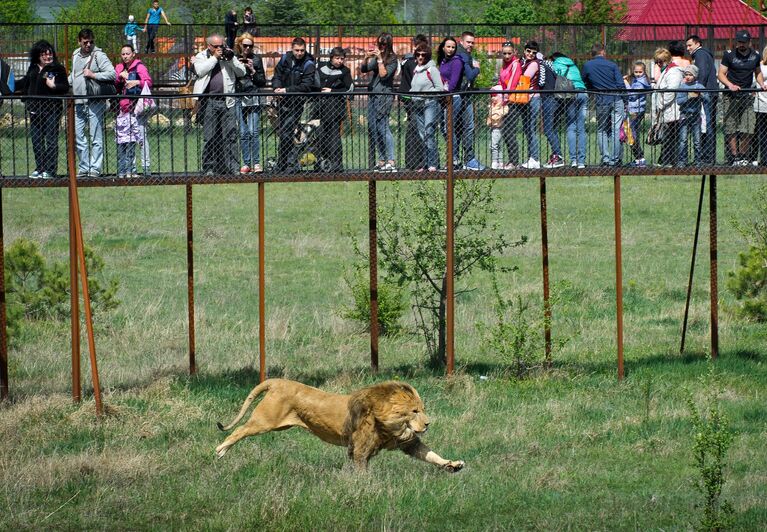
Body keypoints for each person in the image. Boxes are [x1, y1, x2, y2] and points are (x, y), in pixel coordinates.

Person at [191, 33, 246, 175]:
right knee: (209, 136)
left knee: (231, 135)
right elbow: (200, 71)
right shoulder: (201, 56)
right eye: (216, 46)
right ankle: (209, 167)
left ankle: (233, 167)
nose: (220, 49)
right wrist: (215, 58)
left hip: (228, 101)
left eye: (221, 46)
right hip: (209, 101)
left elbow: (242, 72)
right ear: (209, 46)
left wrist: (231, 59)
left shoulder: (229, 56)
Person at [17, 40, 67, 179]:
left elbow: (65, 87)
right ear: (38, 55)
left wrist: (54, 86)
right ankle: (40, 168)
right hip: (34, 109)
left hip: (52, 110)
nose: (48, 56)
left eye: (50, 53)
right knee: (37, 140)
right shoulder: (33, 68)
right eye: (44, 54)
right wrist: (7, 86)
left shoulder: (57, 68)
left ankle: (50, 170)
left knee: (51, 140)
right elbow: (24, 83)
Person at [70, 28, 116, 177]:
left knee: (95, 136)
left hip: (95, 101)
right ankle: (84, 167)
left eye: (91, 42)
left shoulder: (99, 55)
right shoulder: (75, 54)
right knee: (78, 136)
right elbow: (74, 75)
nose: (88, 45)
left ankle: (95, 168)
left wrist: (94, 74)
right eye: (85, 42)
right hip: (78, 100)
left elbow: (112, 73)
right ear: (79, 42)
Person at [717, 30, 767, 166]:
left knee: (749, 126)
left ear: (749, 42)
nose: (741, 45)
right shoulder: (729, 55)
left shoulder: (755, 56)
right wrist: (730, 85)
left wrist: (761, 84)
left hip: (747, 96)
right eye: (739, 42)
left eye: (744, 42)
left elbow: (758, 73)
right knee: (731, 126)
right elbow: (721, 74)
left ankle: (744, 156)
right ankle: (735, 157)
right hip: (731, 95)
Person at [272, 37, 317, 173]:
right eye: (297, 50)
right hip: (282, 102)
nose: (299, 53)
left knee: (286, 133)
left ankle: (286, 164)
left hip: (296, 103)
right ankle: (285, 163)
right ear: (292, 48)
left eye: (302, 50)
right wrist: (277, 88)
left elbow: (306, 85)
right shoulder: (286, 58)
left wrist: (286, 90)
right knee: (284, 133)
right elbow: (277, 75)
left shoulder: (308, 63)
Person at [582, 42, 626, 167]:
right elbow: (620, 84)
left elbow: (584, 82)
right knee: (616, 129)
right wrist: (625, 100)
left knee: (601, 130)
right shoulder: (612, 65)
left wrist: (593, 89)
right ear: (603, 52)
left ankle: (605, 158)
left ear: (593, 53)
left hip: (601, 99)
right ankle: (615, 159)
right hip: (617, 98)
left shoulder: (587, 66)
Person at [361, 32, 398, 172]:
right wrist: (366, 58)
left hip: (384, 95)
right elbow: (364, 69)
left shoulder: (392, 59)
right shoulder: (377, 58)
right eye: (379, 44)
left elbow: (384, 75)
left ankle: (391, 160)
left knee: (383, 126)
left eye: (383, 44)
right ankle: (382, 160)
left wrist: (379, 59)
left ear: (388, 45)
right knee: (374, 127)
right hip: (373, 94)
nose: (380, 46)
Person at [114, 43, 152, 177]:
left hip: (137, 108)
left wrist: (136, 82)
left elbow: (148, 81)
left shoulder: (139, 67)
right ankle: (130, 169)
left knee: (141, 137)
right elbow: (114, 85)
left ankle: (146, 166)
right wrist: (120, 77)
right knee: (126, 140)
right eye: (123, 54)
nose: (125, 56)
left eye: (127, 53)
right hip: (123, 110)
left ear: (133, 54)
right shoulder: (119, 68)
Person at [316, 46, 353, 172]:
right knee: (320, 136)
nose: (339, 61)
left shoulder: (345, 71)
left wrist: (333, 91)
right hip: (319, 107)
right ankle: (321, 163)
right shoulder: (321, 68)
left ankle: (337, 164)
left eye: (342, 59)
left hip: (335, 108)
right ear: (331, 58)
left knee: (334, 136)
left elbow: (349, 89)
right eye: (337, 58)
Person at [409, 43, 445, 172]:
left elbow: (439, 88)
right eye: (418, 54)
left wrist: (426, 94)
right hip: (417, 105)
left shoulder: (432, 69)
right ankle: (426, 163)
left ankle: (433, 163)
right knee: (422, 135)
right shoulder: (416, 70)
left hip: (429, 104)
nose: (420, 57)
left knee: (429, 132)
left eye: (423, 55)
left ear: (427, 56)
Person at [234, 32, 266, 173]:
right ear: (240, 45)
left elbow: (262, 81)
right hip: (239, 97)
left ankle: (257, 163)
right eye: (245, 45)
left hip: (254, 96)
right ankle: (246, 163)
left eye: (250, 46)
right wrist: (238, 66)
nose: (247, 48)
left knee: (254, 131)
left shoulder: (257, 59)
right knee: (243, 132)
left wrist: (253, 70)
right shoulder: (234, 59)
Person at [551, 51, 588, 168]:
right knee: (581, 128)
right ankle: (581, 161)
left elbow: (555, 79)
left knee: (571, 127)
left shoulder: (556, 63)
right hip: (583, 93)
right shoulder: (573, 64)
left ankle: (574, 160)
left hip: (570, 95)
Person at [686, 35, 719, 164]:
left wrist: (697, 89)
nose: (688, 48)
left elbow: (702, 73)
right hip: (709, 92)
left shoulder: (700, 54)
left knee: (706, 125)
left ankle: (707, 157)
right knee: (707, 124)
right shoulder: (704, 54)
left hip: (706, 93)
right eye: (687, 45)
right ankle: (707, 156)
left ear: (698, 44)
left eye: (690, 45)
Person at [399, 34, 428, 171]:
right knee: (416, 130)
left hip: (415, 99)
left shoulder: (410, 61)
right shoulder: (411, 63)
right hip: (413, 99)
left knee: (417, 129)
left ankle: (418, 161)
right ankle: (416, 162)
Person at [455, 31, 484, 170]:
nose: (471, 45)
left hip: (459, 95)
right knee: (467, 127)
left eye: (473, 42)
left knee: (457, 129)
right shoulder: (462, 55)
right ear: (461, 41)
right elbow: (470, 75)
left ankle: (455, 159)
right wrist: (477, 68)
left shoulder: (460, 53)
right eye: (468, 42)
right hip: (462, 97)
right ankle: (468, 159)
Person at [651, 48, 683, 168]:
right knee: (668, 136)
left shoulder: (674, 71)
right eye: (657, 62)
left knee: (671, 136)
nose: (659, 64)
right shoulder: (666, 70)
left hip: (672, 109)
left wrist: (660, 105)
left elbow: (671, 91)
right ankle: (665, 160)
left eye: (661, 61)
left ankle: (668, 161)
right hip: (666, 110)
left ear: (667, 60)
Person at [438, 36, 464, 170]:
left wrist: (442, 89)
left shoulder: (457, 62)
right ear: (443, 47)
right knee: (444, 127)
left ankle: (453, 158)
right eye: (448, 46)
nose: (450, 49)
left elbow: (453, 83)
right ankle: (452, 157)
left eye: (453, 47)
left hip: (453, 97)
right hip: (444, 97)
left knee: (449, 127)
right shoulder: (443, 61)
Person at [497, 42, 522, 169]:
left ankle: (514, 161)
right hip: (504, 101)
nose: (507, 56)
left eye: (509, 53)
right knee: (505, 131)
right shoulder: (504, 65)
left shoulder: (515, 64)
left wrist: (505, 97)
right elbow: (501, 81)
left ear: (514, 52)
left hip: (512, 102)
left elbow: (512, 82)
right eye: (504, 53)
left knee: (509, 131)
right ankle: (512, 160)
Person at [519, 40, 543, 169]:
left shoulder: (533, 64)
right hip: (526, 99)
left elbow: (524, 77)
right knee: (528, 129)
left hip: (533, 98)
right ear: (525, 50)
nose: (530, 54)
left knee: (531, 129)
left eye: (534, 53)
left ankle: (534, 158)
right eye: (528, 51)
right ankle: (532, 157)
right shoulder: (524, 62)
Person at [676, 64, 706, 166]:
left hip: (696, 116)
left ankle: (698, 161)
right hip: (684, 115)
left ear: (695, 76)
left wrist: (701, 94)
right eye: (686, 74)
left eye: (690, 75)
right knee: (683, 140)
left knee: (697, 140)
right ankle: (682, 161)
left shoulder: (700, 86)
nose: (688, 77)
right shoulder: (682, 86)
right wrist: (688, 96)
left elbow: (708, 99)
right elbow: (679, 101)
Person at [624, 61, 650, 167]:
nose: (638, 73)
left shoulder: (641, 82)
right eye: (636, 72)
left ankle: (640, 157)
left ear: (644, 72)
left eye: (640, 72)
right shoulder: (637, 80)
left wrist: (625, 82)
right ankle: (638, 157)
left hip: (636, 110)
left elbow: (632, 94)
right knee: (630, 132)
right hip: (635, 109)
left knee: (631, 133)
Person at [539, 55, 564, 168]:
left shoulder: (542, 65)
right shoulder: (553, 66)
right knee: (552, 129)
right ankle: (556, 155)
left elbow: (541, 82)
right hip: (558, 100)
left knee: (548, 130)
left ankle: (558, 156)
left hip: (548, 98)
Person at [755, 47, 767, 166]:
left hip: (761, 103)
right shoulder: (760, 67)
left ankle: (764, 158)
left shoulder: (760, 67)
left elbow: (755, 82)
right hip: (761, 103)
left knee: (762, 133)